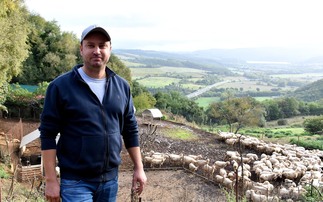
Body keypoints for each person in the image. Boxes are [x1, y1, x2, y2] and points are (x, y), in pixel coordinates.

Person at [39, 24, 147, 202]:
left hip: (110, 181)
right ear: (81, 49)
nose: (97, 50)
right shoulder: (60, 87)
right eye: (90, 45)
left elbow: (130, 129)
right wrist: (51, 180)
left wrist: (139, 167)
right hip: (75, 182)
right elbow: (48, 134)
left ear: (110, 50)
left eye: (102, 45)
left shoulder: (122, 87)